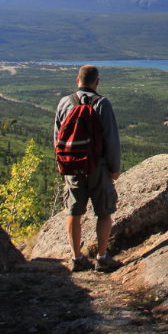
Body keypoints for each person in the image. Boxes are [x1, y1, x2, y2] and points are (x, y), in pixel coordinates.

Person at [55, 64, 123, 272]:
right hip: (98, 167)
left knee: (74, 212)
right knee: (104, 212)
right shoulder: (102, 104)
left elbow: (57, 138)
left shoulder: (64, 103)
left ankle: (77, 257)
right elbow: (111, 140)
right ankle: (102, 257)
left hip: (73, 168)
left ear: (78, 80)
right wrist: (115, 168)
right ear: (97, 82)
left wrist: (63, 166)